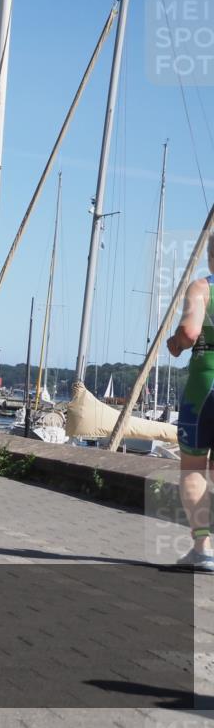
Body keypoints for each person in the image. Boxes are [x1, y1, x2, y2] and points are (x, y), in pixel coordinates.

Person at [167, 236, 214, 572]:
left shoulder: (201, 288)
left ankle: (202, 547)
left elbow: (191, 331)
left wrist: (174, 343)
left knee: (194, 469)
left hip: (205, 387)